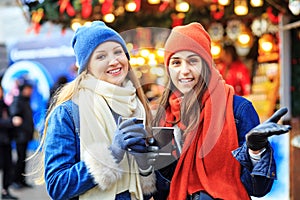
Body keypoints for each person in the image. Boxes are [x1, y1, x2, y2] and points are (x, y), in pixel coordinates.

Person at [151, 22, 291, 200]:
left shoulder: (238, 110)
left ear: (207, 64)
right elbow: (161, 191)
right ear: (168, 68)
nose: (184, 70)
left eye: (193, 60)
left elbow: (258, 189)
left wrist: (256, 151)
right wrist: (150, 162)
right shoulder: (164, 116)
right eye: (176, 62)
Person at [32, 21, 157, 199]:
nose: (113, 61)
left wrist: (145, 164)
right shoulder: (68, 112)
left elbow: (149, 187)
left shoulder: (137, 105)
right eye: (101, 56)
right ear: (86, 67)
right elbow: (57, 185)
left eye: (118, 52)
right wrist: (111, 154)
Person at [9, 78, 34, 189]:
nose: (30, 91)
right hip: (20, 136)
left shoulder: (26, 100)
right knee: (20, 159)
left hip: (25, 136)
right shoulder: (18, 101)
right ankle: (15, 181)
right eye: (28, 89)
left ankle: (22, 180)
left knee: (23, 159)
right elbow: (14, 116)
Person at [0, 85, 22, 199]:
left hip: (6, 141)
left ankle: (5, 191)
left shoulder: (4, 104)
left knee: (8, 167)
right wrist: (11, 121)